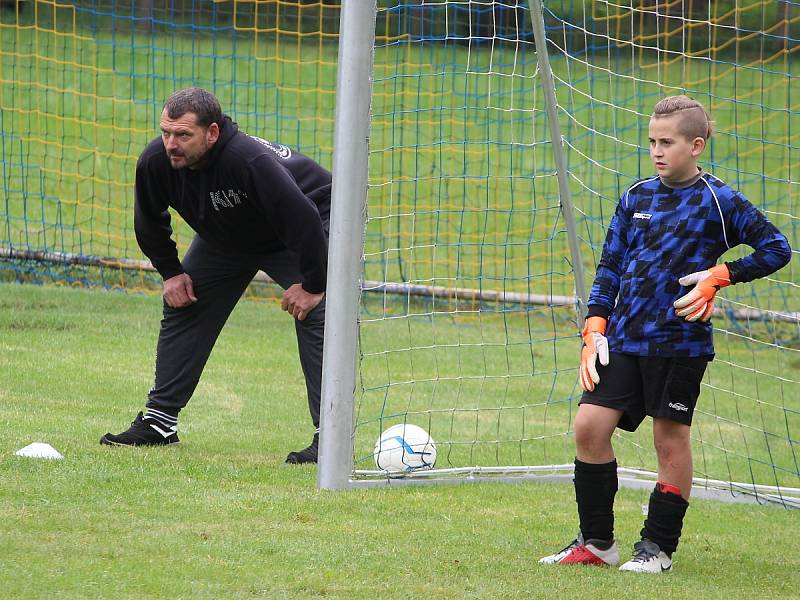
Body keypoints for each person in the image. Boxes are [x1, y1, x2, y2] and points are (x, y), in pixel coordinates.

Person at [539, 96, 791, 572]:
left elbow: (777, 248)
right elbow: (611, 265)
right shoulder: (636, 196)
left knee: (669, 439)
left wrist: (721, 275)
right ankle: (596, 544)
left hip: (680, 344)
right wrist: (595, 324)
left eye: (667, 142)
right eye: (652, 141)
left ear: (696, 146)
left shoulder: (721, 201)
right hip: (624, 338)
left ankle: (657, 548)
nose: (657, 151)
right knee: (589, 427)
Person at [100, 87, 330, 464]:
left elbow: (301, 219)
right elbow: (148, 221)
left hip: (306, 222)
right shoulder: (156, 162)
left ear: (212, 133)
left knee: (317, 313)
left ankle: (330, 437)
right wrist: (171, 273)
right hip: (229, 236)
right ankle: (159, 423)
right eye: (165, 132)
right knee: (185, 300)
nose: (171, 144)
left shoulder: (248, 161)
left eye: (183, 135)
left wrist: (314, 285)